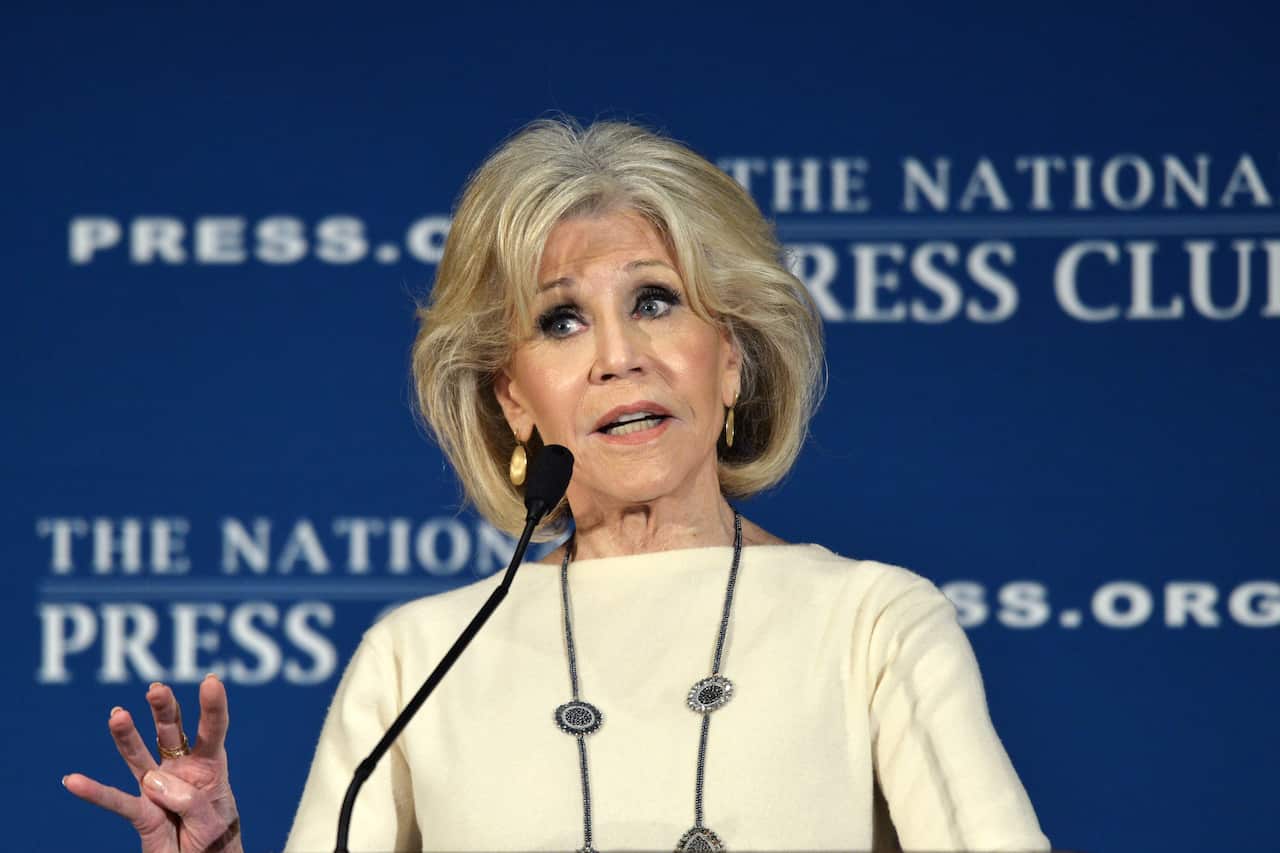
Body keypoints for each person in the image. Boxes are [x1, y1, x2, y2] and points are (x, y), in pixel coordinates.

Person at [64, 118, 1051, 852]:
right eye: (562, 321)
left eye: (655, 302)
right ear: (514, 397)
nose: (619, 357)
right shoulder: (418, 659)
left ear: (732, 359)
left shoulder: (870, 622)